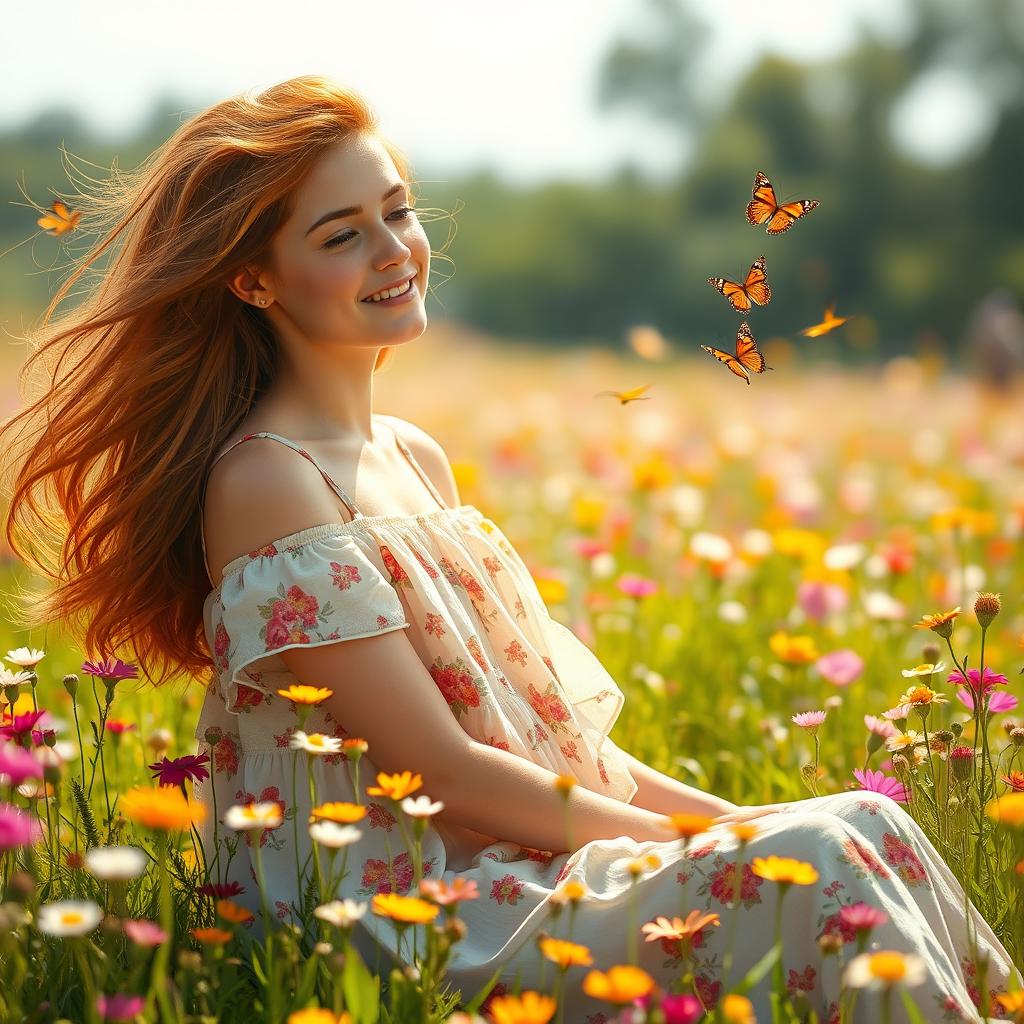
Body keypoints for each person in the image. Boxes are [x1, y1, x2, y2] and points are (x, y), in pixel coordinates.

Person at [4, 76, 1018, 1022]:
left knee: (861, 825)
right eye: (342, 235)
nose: (393, 249)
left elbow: (561, 750)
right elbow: (440, 771)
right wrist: (718, 846)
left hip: (521, 861)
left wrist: (745, 821)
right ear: (255, 282)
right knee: (822, 849)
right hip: (407, 914)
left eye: (396, 212)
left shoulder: (414, 459)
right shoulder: (267, 481)